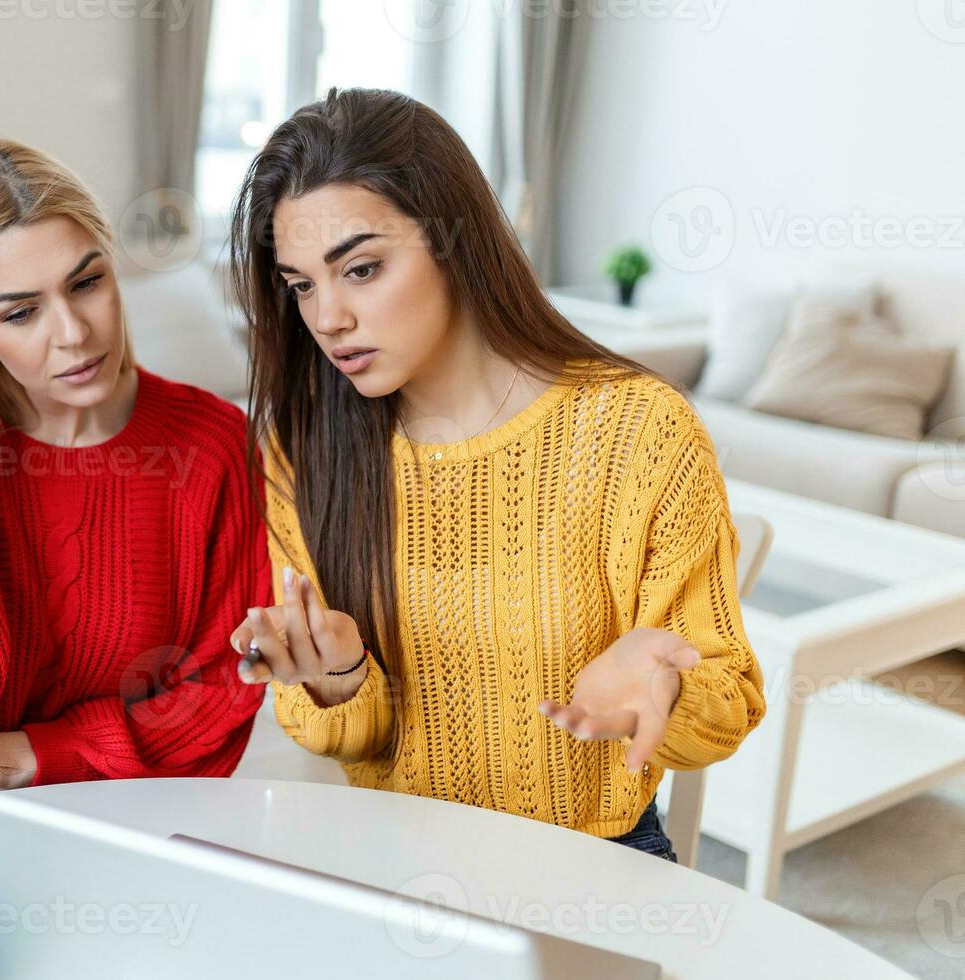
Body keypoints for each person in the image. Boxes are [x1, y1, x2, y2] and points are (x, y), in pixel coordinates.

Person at [227, 88, 766, 861]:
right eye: (302, 285)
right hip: (392, 860)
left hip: (591, 860)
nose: (328, 319)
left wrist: (668, 690)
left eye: (363, 269)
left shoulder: (638, 429)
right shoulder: (304, 450)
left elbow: (729, 696)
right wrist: (339, 674)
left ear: (456, 241)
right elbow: (346, 738)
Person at [0, 137, 269, 822]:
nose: (73, 332)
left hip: (133, 819)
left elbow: (219, 695)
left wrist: (24, 755)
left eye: (87, 282)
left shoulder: (212, 448)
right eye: (19, 312)